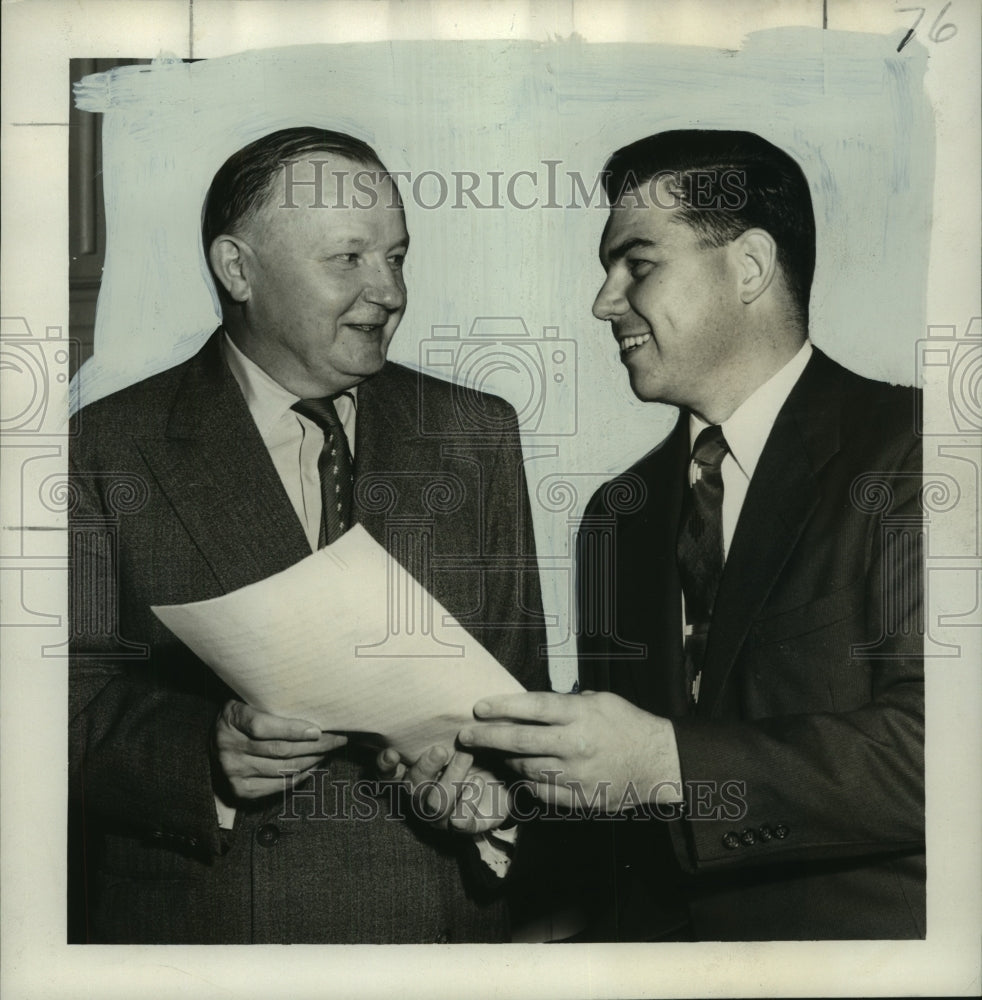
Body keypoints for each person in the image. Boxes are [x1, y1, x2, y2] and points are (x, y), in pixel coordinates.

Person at [68, 127, 548, 944]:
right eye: (349, 259)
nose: (388, 289)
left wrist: (494, 793)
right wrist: (205, 755)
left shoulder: (475, 434)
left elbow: (523, 698)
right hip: (208, 933)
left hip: (432, 931)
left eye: (397, 256)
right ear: (238, 269)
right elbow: (54, 705)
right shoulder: (107, 445)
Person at [460, 129, 924, 940]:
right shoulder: (618, 515)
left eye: (637, 264)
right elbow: (618, 822)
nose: (603, 301)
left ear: (749, 266)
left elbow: (942, 757)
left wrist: (662, 763)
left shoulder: (921, 453)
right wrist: (517, 793)